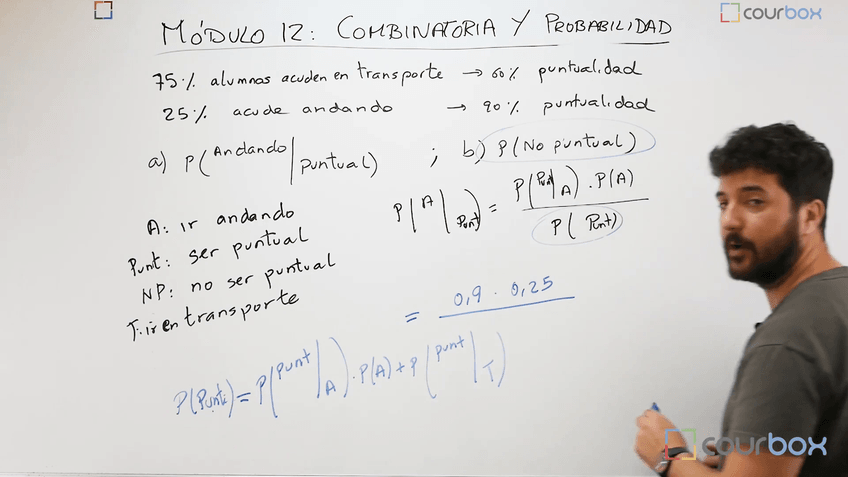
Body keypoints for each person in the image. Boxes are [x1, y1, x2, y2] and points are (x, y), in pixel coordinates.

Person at [633, 123, 848, 476]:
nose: (730, 221)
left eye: (754, 202)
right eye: (724, 203)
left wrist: (669, 457)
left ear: (809, 215)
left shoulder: (787, 341)